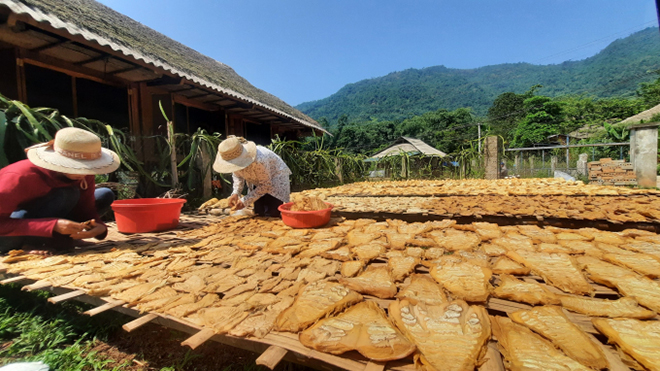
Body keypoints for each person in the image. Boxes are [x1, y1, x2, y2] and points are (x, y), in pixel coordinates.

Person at [0, 127, 120, 254]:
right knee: (66, 194)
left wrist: (99, 227)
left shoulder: (85, 174)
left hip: (51, 216)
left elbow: (86, 208)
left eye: (89, 168)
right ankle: (35, 243)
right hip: (13, 227)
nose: (84, 173)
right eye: (77, 168)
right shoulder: (18, 177)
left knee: (104, 194)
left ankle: (61, 237)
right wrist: (52, 225)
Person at [213, 136, 291, 217]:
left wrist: (245, 201)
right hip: (259, 181)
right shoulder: (233, 160)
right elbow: (238, 176)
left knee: (272, 213)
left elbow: (266, 185)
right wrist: (236, 193)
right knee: (259, 212)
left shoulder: (259, 160)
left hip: (276, 177)